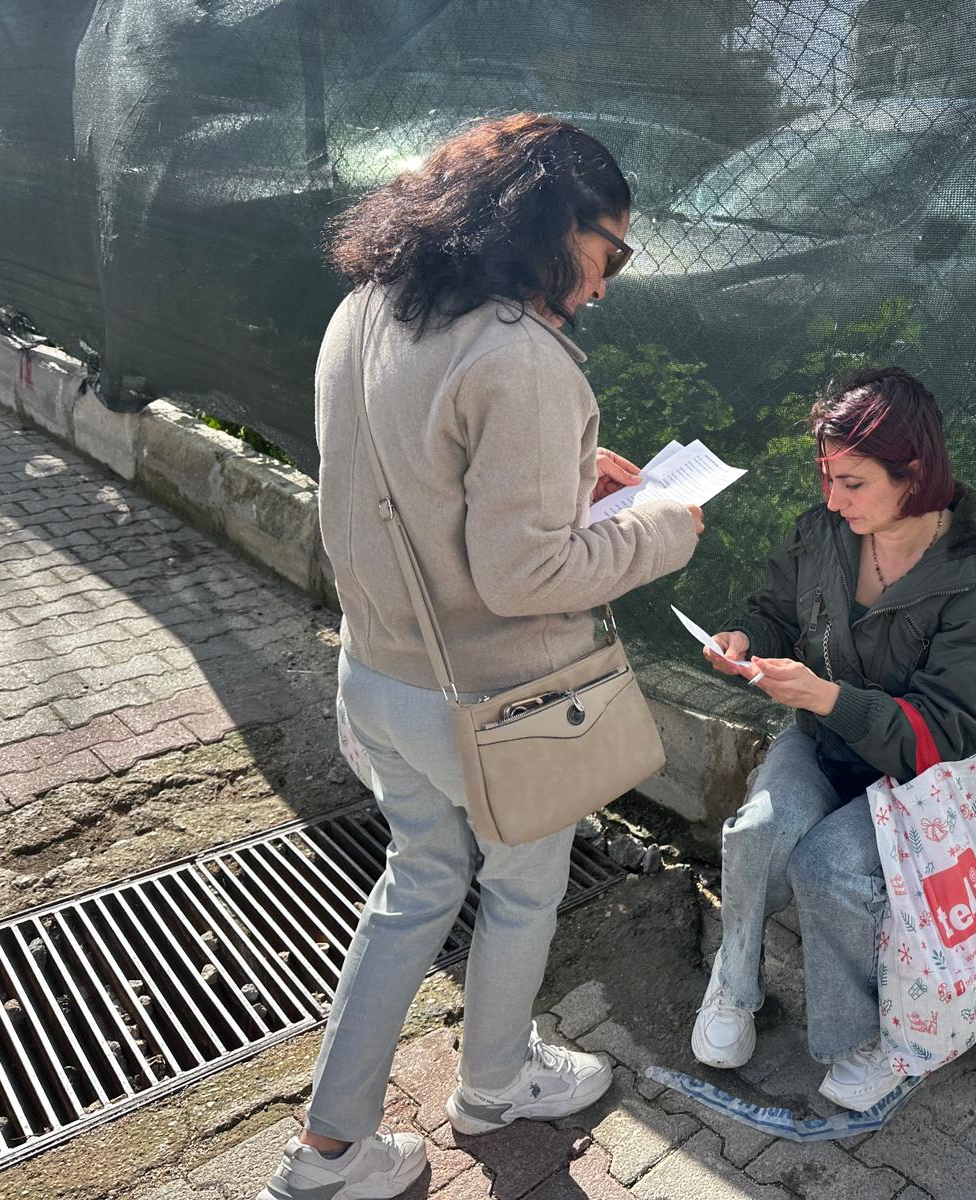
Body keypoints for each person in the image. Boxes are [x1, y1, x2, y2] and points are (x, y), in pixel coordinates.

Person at [258, 114, 703, 1200]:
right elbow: (523, 578)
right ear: (553, 223)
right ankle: (495, 1086)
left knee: (415, 887)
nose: (607, 283)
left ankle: (326, 1153)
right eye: (611, 253)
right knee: (522, 887)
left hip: (379, 677)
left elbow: (411, 467)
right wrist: (665, 529)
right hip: (494, 701)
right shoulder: (518, 354)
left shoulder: (366, 308)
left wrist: (567, 464)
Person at [690, 367, 976, 1110]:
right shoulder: (826, 531)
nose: (832, 498)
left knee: (831, 866)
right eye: (827, 476)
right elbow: (775, 609)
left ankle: (869, 1038)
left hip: (921, 777)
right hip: (827, 743)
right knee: (761, 829)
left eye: (852, 482)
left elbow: (946, 732)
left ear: (914, 476)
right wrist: (745, 636)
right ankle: (732, 985)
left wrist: (828, 696)